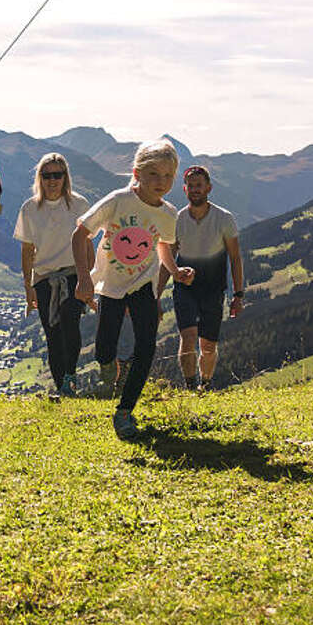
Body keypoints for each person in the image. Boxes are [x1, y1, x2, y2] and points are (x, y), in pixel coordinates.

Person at [73, 139, 193, 439]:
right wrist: (84, 279)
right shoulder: (118, 200)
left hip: (142, 286)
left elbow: (164, 245)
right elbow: (80, 234)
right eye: (154, 174)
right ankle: (107, 363)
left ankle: (125, 411)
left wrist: (175, 271)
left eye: (167, 176)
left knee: (145, 347)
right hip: (110, 285)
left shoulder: (168, 213)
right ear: (137, 172)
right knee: (104, 347)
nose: (161, 182)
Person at [159, 165, 245, 390]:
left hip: (214, 290)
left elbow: (235, 258)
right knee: (187, 338)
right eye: (191, 186)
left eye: (199, 185)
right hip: (185, 290)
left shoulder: (224, 218)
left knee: (208, 346)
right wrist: (155, 295)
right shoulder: (177, 220)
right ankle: (190, 386)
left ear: (209, 188)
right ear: (185, 189)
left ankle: (204, 385)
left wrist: (238, 294)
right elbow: (166, 258)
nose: (195, 190)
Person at [14, 153, 88, 397]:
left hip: (73, 273)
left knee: (69, 320)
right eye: (47, 176)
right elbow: (27, 250)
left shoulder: (79, 205)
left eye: (58, 175)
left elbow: (88, 245)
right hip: (44, 278)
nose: (52, 180)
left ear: (66, 177)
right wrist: (28, 288)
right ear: (40, 179)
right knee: (52, 333)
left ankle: (70, 375)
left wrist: (90, 279)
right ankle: (62, 387)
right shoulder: (30, 208)